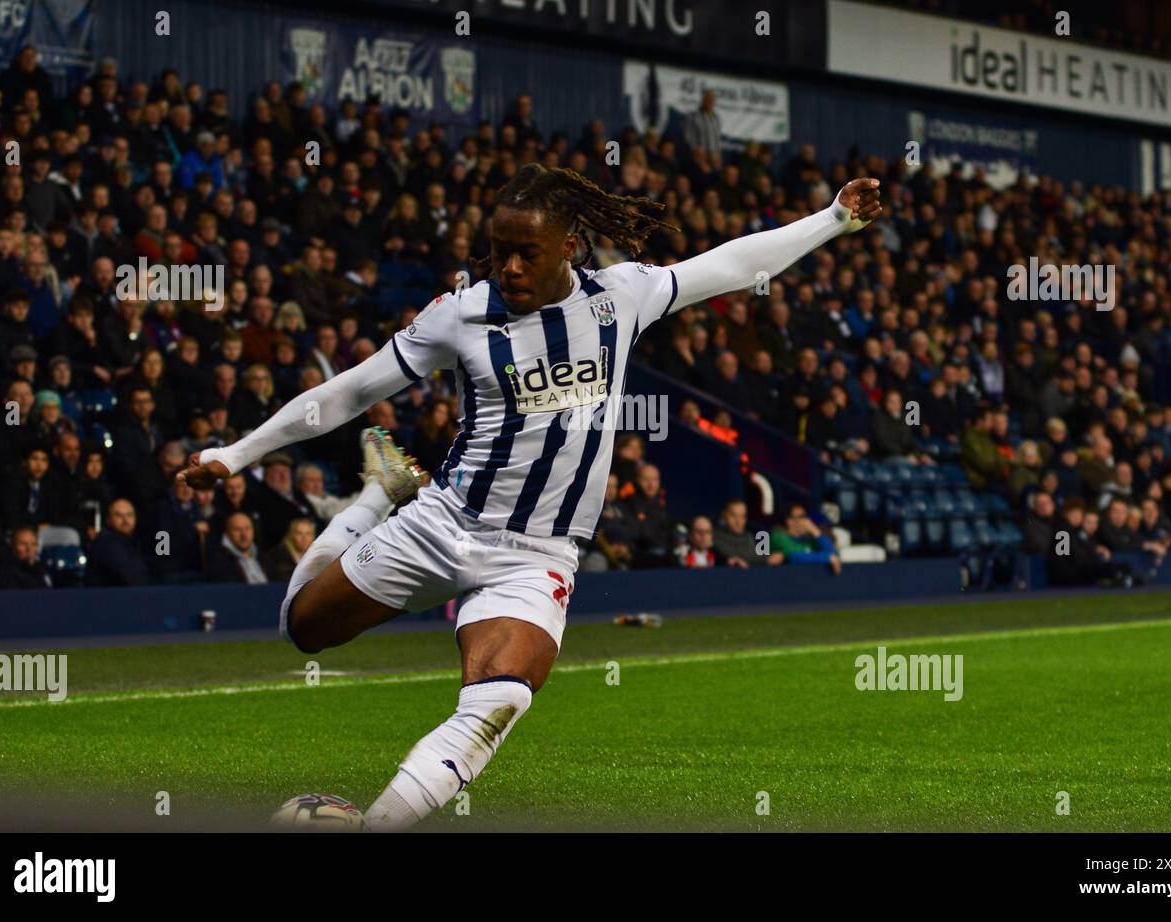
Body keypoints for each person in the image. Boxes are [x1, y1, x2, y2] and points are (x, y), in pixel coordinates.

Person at [178, 163, 881, 831]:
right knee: (302, 629)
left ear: (570, 246)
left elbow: (733, 265)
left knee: (502, 696)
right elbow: (352, 391)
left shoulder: (621, 297)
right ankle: (376, 494)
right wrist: (236, 454)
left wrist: (831, 218)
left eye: (525, 253)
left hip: (537, 554)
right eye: (497, 252)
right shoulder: (461, 314)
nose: (508, 268)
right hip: (444, 523)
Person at [86, 498, 151, 586]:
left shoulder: (131, 541)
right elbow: (133, 578)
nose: (125, 520)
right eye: (119, 515)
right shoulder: (108, 543)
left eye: (129, 515)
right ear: (108, 520)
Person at [771, 503, 841, 573]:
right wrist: (827, 558)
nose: (806, 521)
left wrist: (816, 532)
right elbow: (793, 556)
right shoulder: (779, 537)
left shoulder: (810, 539)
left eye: (806, 517)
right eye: (801, 517)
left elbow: (835, 555)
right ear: (789, 521)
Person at [268, 516, 316, 581]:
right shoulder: (279, 556)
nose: (304, 538)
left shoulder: (316, 555)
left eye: (308, 534)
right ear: (291, 535)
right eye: (299, 533)